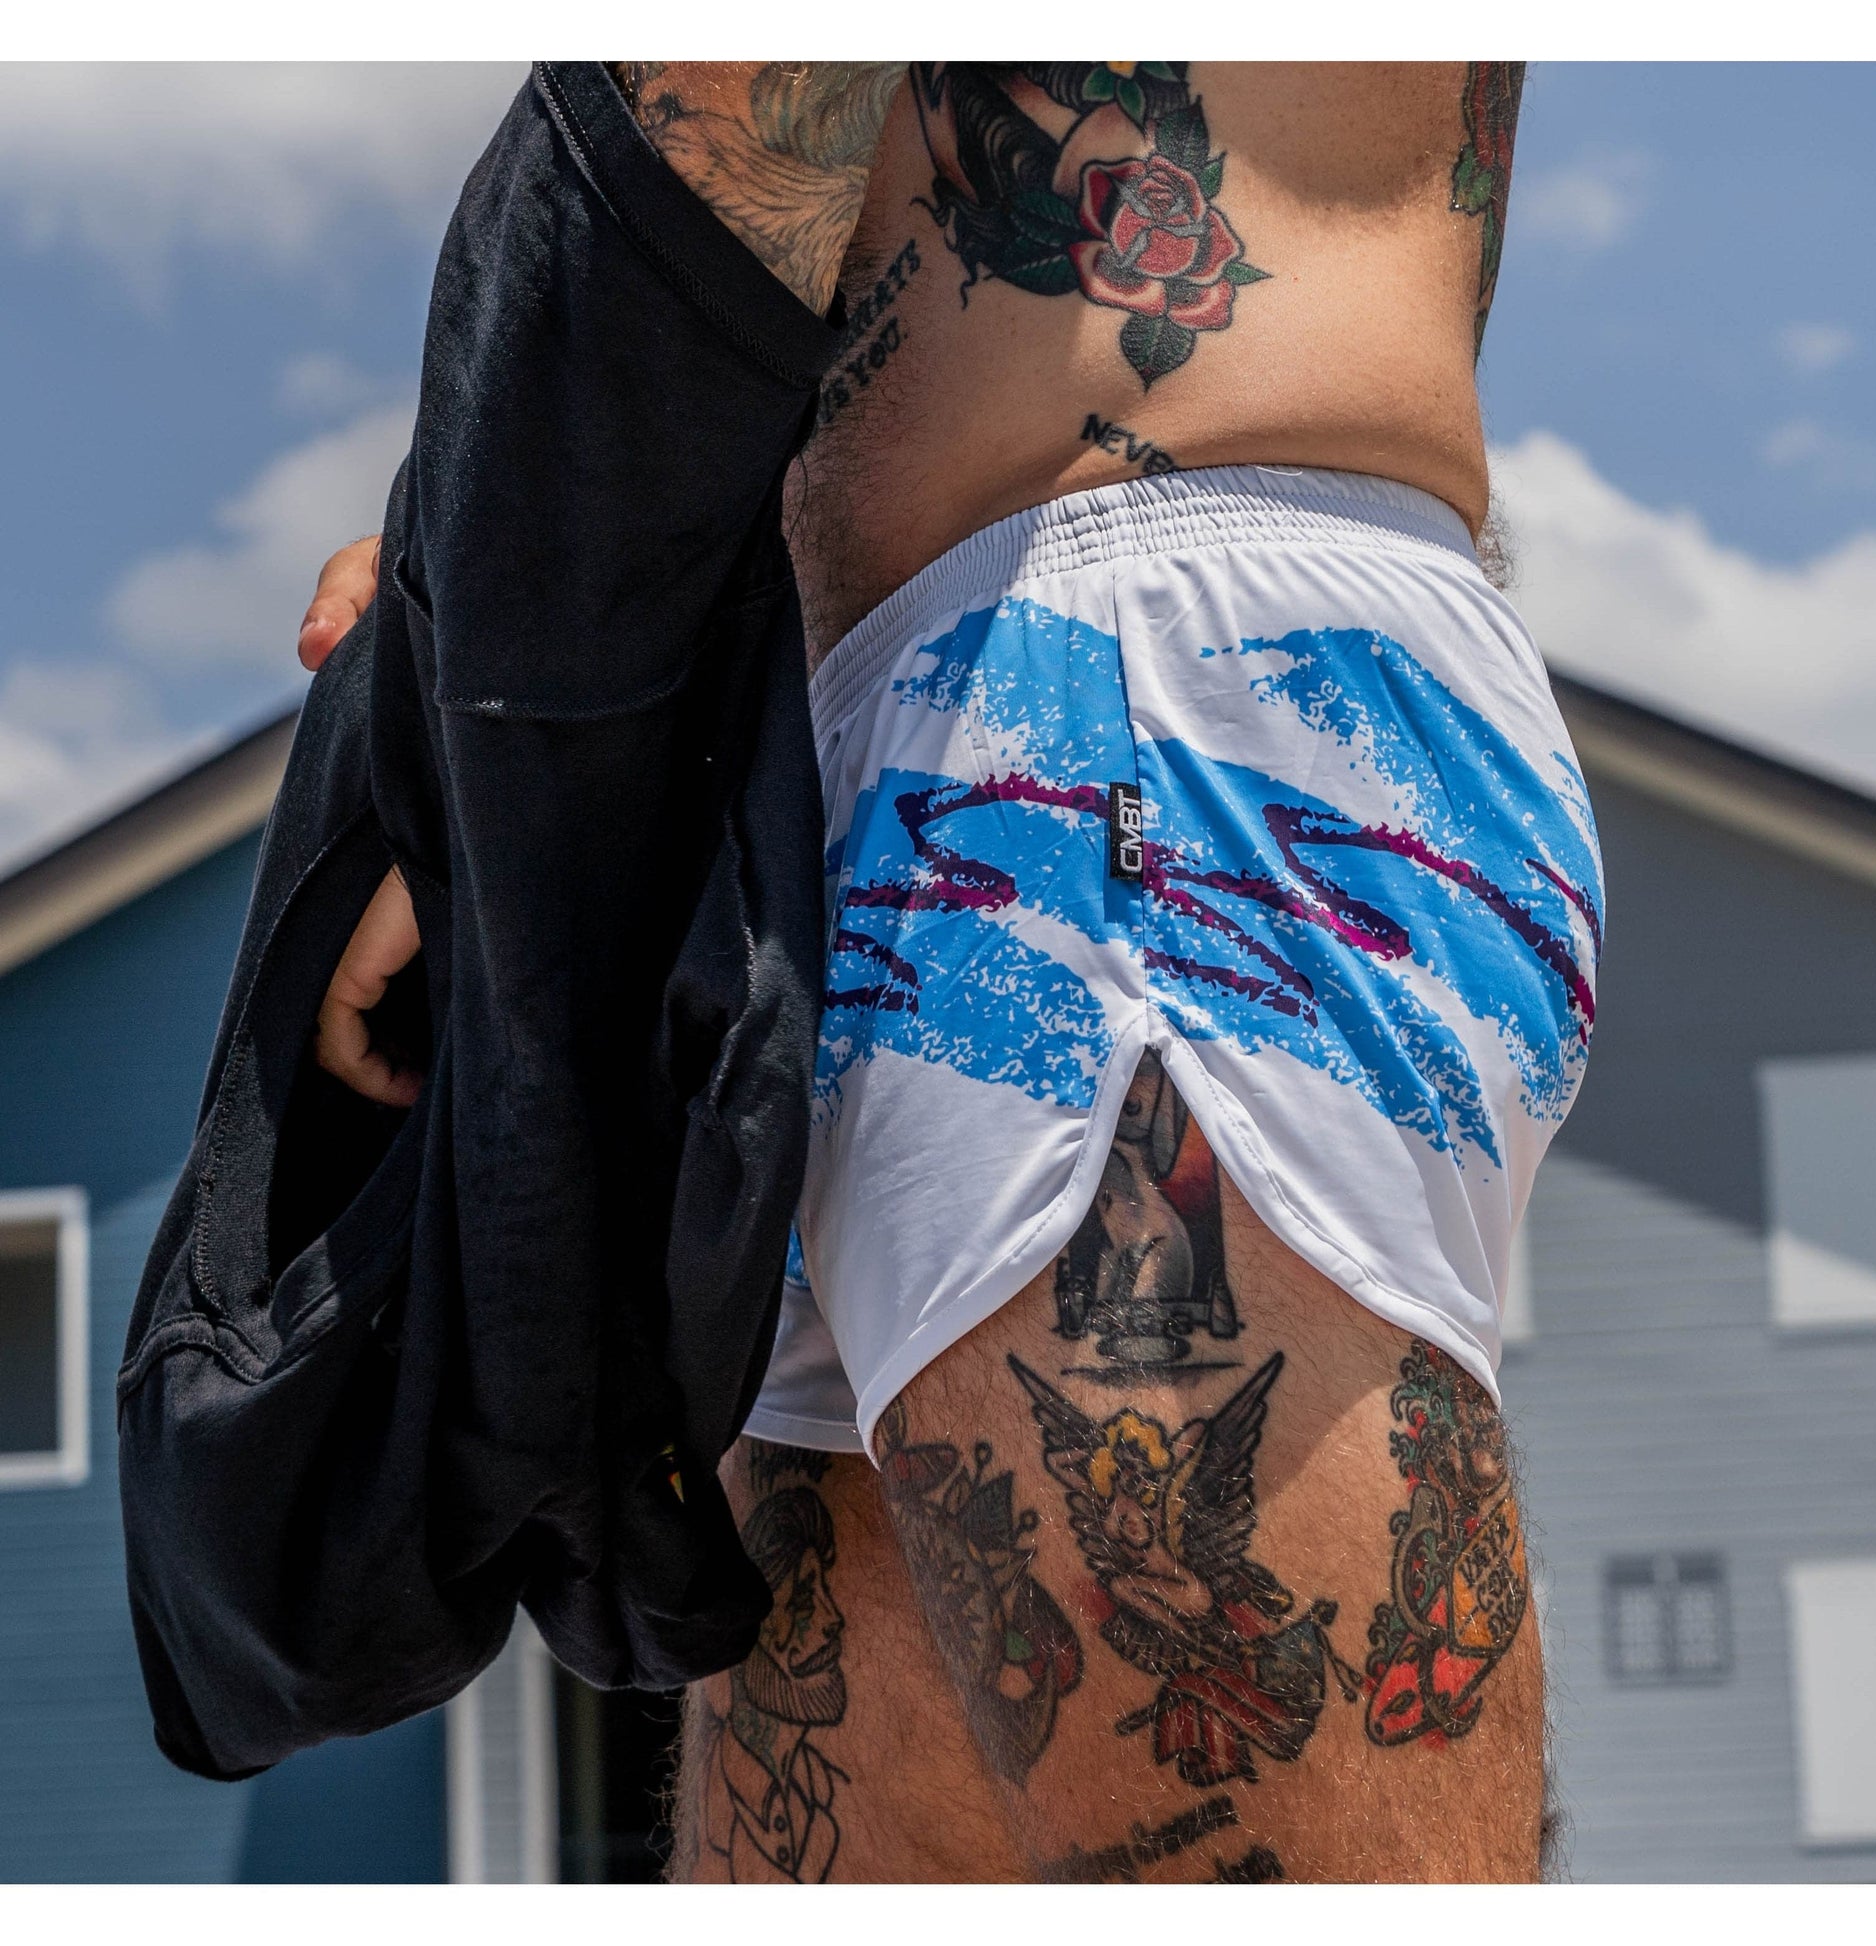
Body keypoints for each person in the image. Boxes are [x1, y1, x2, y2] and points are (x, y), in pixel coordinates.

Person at [299, 61, 1601, 1882]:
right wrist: (473, 657)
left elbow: (735, 89)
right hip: (928, 742)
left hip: (1116, 706)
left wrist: (499, 672)